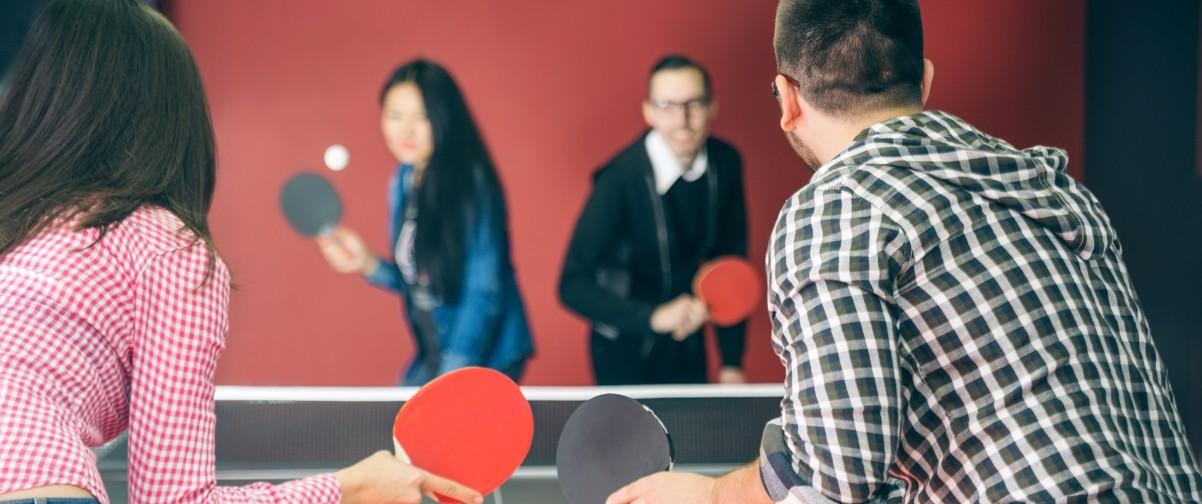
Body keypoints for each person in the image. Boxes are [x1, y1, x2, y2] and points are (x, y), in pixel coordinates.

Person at [608, 0, 1202, 502]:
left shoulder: (836, 209)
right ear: (923, 80)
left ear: (787, 99)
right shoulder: (1058, 191)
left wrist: (711, 494)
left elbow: (837, 474)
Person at [0, 2, 482, 503]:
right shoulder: (167, 249)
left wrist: (372, 269)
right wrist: (352, 488)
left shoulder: (13, 215)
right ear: (174, 120)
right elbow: (175, 500)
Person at [318, 59, 534, 386]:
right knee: (391, 423)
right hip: (435, 348)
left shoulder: (471, 185)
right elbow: (421, 282)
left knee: (429, 432)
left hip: (486, 353)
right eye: (394, 116)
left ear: (443, 117)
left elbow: (483, 292)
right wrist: (366, 263)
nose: (405, 131)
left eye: (421, 117)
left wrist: (450, 378)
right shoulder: (403, 179)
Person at [559, 55, 750, 385]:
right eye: (667, 106)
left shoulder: (726, 164)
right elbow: (572, 285)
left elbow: (730, 264)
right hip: (622, 350)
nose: (681, 120)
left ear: (713, 107)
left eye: (693, 104)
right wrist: (653, 317)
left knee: (697, 436)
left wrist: (731, 362)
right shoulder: (618, 180)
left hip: (688, 344)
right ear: (648, 111)